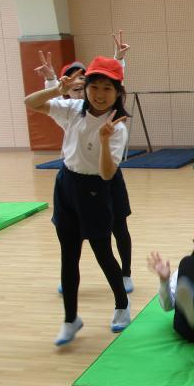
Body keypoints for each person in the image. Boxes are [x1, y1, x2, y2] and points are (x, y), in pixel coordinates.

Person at [24, 56, 131, 346]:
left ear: (118, 92)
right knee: (68, 256)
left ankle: (122, 305)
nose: (99, 94)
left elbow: (107, 174)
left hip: (95, 190)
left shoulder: (117, 127)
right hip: (66, 185)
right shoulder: (73, 109)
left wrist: (105, 140)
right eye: (94, 86)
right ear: (85, 88)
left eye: (107, 88)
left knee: (102, 253)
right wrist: (56, 89)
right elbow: (30, 102)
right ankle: (71, 319)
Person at [35, 32, 134, 294]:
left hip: (106, 175)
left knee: (118, 225)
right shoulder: (70, 112)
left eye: (82, 84)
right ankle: (70, 275)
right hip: (76, 180)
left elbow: (111, 87)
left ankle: (125, 272)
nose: (87, 92)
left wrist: (118, 60)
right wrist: (51, 81)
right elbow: (50, 102)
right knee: (73, 236)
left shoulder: (108, 115)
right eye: (79, 87)